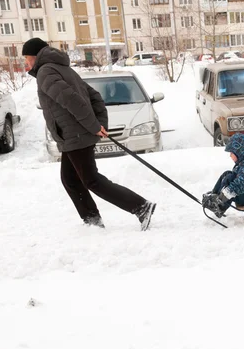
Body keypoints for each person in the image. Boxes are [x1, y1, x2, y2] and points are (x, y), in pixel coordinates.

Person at [22, 38, 156, 231]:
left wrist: (94, 125)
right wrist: (99, 123)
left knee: (91, 180)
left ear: (35, 56)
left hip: (75, 135)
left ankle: (140, 207)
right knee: (70, 180)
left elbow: (72, 100)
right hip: (72, 136)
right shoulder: (61, 68)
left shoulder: (46, 72)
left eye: (27, 59)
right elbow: (94, 96)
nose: (26, 64)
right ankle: (92, 221)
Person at [202, 133, 244, 218]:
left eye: (231, 153)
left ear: (239, 152)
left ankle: (219, 205)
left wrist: (223, 197)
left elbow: (239, 186)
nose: (230, 155)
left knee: (230, 180)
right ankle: (213, 195)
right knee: (227, 174)